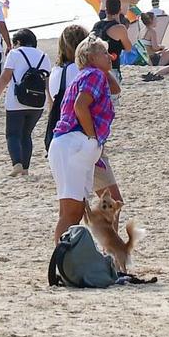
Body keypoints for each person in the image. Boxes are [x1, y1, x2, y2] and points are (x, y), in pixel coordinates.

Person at [49, 35, 116, 242]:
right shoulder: (94, 74)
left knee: (72, 212)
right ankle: (62, 262)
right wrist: (91, 138)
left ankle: (65, 262)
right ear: (90, 57)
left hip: (69, 144)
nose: (109, 56)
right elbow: (80, 106)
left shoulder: (88, 74)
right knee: (71, 213)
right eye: (104, 53)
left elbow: (116, 89)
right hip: (76, 143)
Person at [0, 29, 50, 177]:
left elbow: (5, 78)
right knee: (26, 134)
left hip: (17, 101)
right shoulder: (44, 56)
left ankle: (17, 164)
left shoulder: (15, 54)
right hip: (38, 102)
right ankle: (25, 169)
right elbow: (48, 81)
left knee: (13, 134)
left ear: (17, 42)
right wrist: (50, 100)